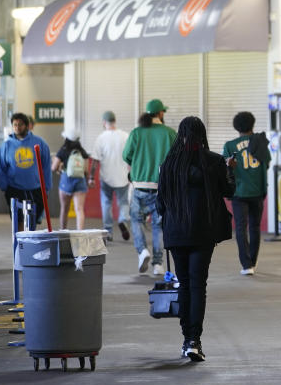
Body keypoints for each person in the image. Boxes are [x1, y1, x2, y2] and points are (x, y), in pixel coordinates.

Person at [157, 117, 235, 362]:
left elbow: (160, 204)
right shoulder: (213, 161)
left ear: (180, 135)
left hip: (176, 233)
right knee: (198, 285)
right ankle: (194, 341)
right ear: (202, 134)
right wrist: (229, 169)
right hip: (203, 232)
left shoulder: (169, 164)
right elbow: (229, 191)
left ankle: (185, 339)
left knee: (184, 283)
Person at [123, 99, 177, 275]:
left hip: (139, 185)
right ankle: (158, 264)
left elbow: (126, 156)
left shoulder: (137, 133)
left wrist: (138, 165)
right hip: (161, 187)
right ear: (161, 113)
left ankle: (142, 251)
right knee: (158, 225)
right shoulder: (170, 133)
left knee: (136, 220)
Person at [223, 111, 271, 275]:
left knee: (241, 228)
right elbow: (267, 163)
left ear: (236, 127)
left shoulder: (230, 145)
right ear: (253, 124)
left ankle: (246, 265)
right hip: (258, 190)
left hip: (239, 192)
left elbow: (225, 168)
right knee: (255, 227)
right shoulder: (260, 142)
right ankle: (253, 260)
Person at [0, 112, 51, 227]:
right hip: (14, 189)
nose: (17, 127)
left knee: (32, 222)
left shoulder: (40, 143)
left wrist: (46, 187)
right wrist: (4, 186)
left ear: (27, 126)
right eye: (14, 125)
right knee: (18, 220)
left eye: (20, 124)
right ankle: (19, 244)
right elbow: (1, 168)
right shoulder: (6, 145)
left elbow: (46, 166)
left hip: (35, 189)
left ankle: (29, 244)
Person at [90, 111, 130, 242]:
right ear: (115, 121)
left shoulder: (101, 138)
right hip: (123, 177)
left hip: (106, 177)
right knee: (123, 202)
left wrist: (91, 177)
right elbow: (131, 157)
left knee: (106, 203)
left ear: (104, 122)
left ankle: (108, 231)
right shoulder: (125, 136)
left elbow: (95, 160)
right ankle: (123, 220)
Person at [51, 128, 91, 230]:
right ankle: (80, 233)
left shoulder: (63, 151)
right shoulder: (83, 152)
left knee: (64, 209)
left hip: (66, 182)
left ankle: (63, 231)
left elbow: (53, 167)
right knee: (79, 209)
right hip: (80, 182)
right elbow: (86, 170)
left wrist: (59, 168)